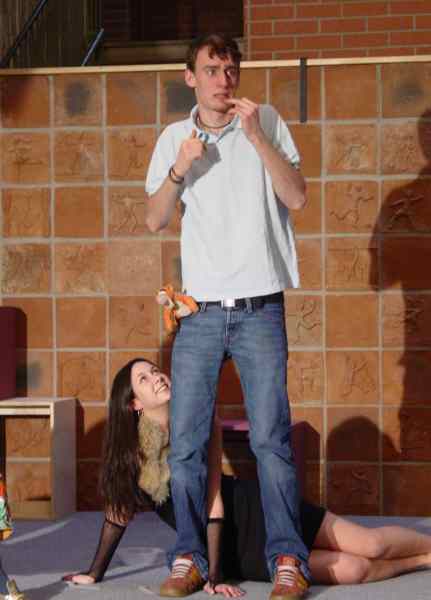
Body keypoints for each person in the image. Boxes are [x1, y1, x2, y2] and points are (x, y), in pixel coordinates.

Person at [145, 32, 309, 600]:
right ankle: (188, 558)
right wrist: (179, 169)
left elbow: (297, 197)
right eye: (212, 70)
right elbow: (153, 219)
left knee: (271, 440)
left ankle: (287, 560)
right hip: (200, 313)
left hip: (260, 307)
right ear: (190, 77)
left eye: (230, 68)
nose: (224, 79)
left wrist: (257, 136)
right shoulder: (175, 138)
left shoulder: (267, 122)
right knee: (187, 443)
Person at [64, 358, 431, 598]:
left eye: (156, 370)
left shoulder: (200, 419)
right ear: (134, 403)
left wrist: (213, 575)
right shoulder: (131, 459)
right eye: (143, 379)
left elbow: (213, 499)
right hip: (239, 549)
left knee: (371, 545)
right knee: (354, 569)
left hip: (258, 509)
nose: (157, 377)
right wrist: (94, 573)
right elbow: (116, 518)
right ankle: (421, 561)